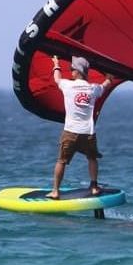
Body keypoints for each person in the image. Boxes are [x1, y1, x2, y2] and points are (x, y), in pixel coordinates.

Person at [46, 55, 113, 199]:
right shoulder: (93, 89)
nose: (70, 71)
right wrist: (109, 76)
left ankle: (55, 191)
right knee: (92, 158)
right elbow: (105, 85)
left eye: (72, 69)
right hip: (88, 132)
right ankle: (94, 187)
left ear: (77, 71)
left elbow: (57, 78)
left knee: (61, 161)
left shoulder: (67, 85)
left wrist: (56, 63)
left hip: (70, 132)